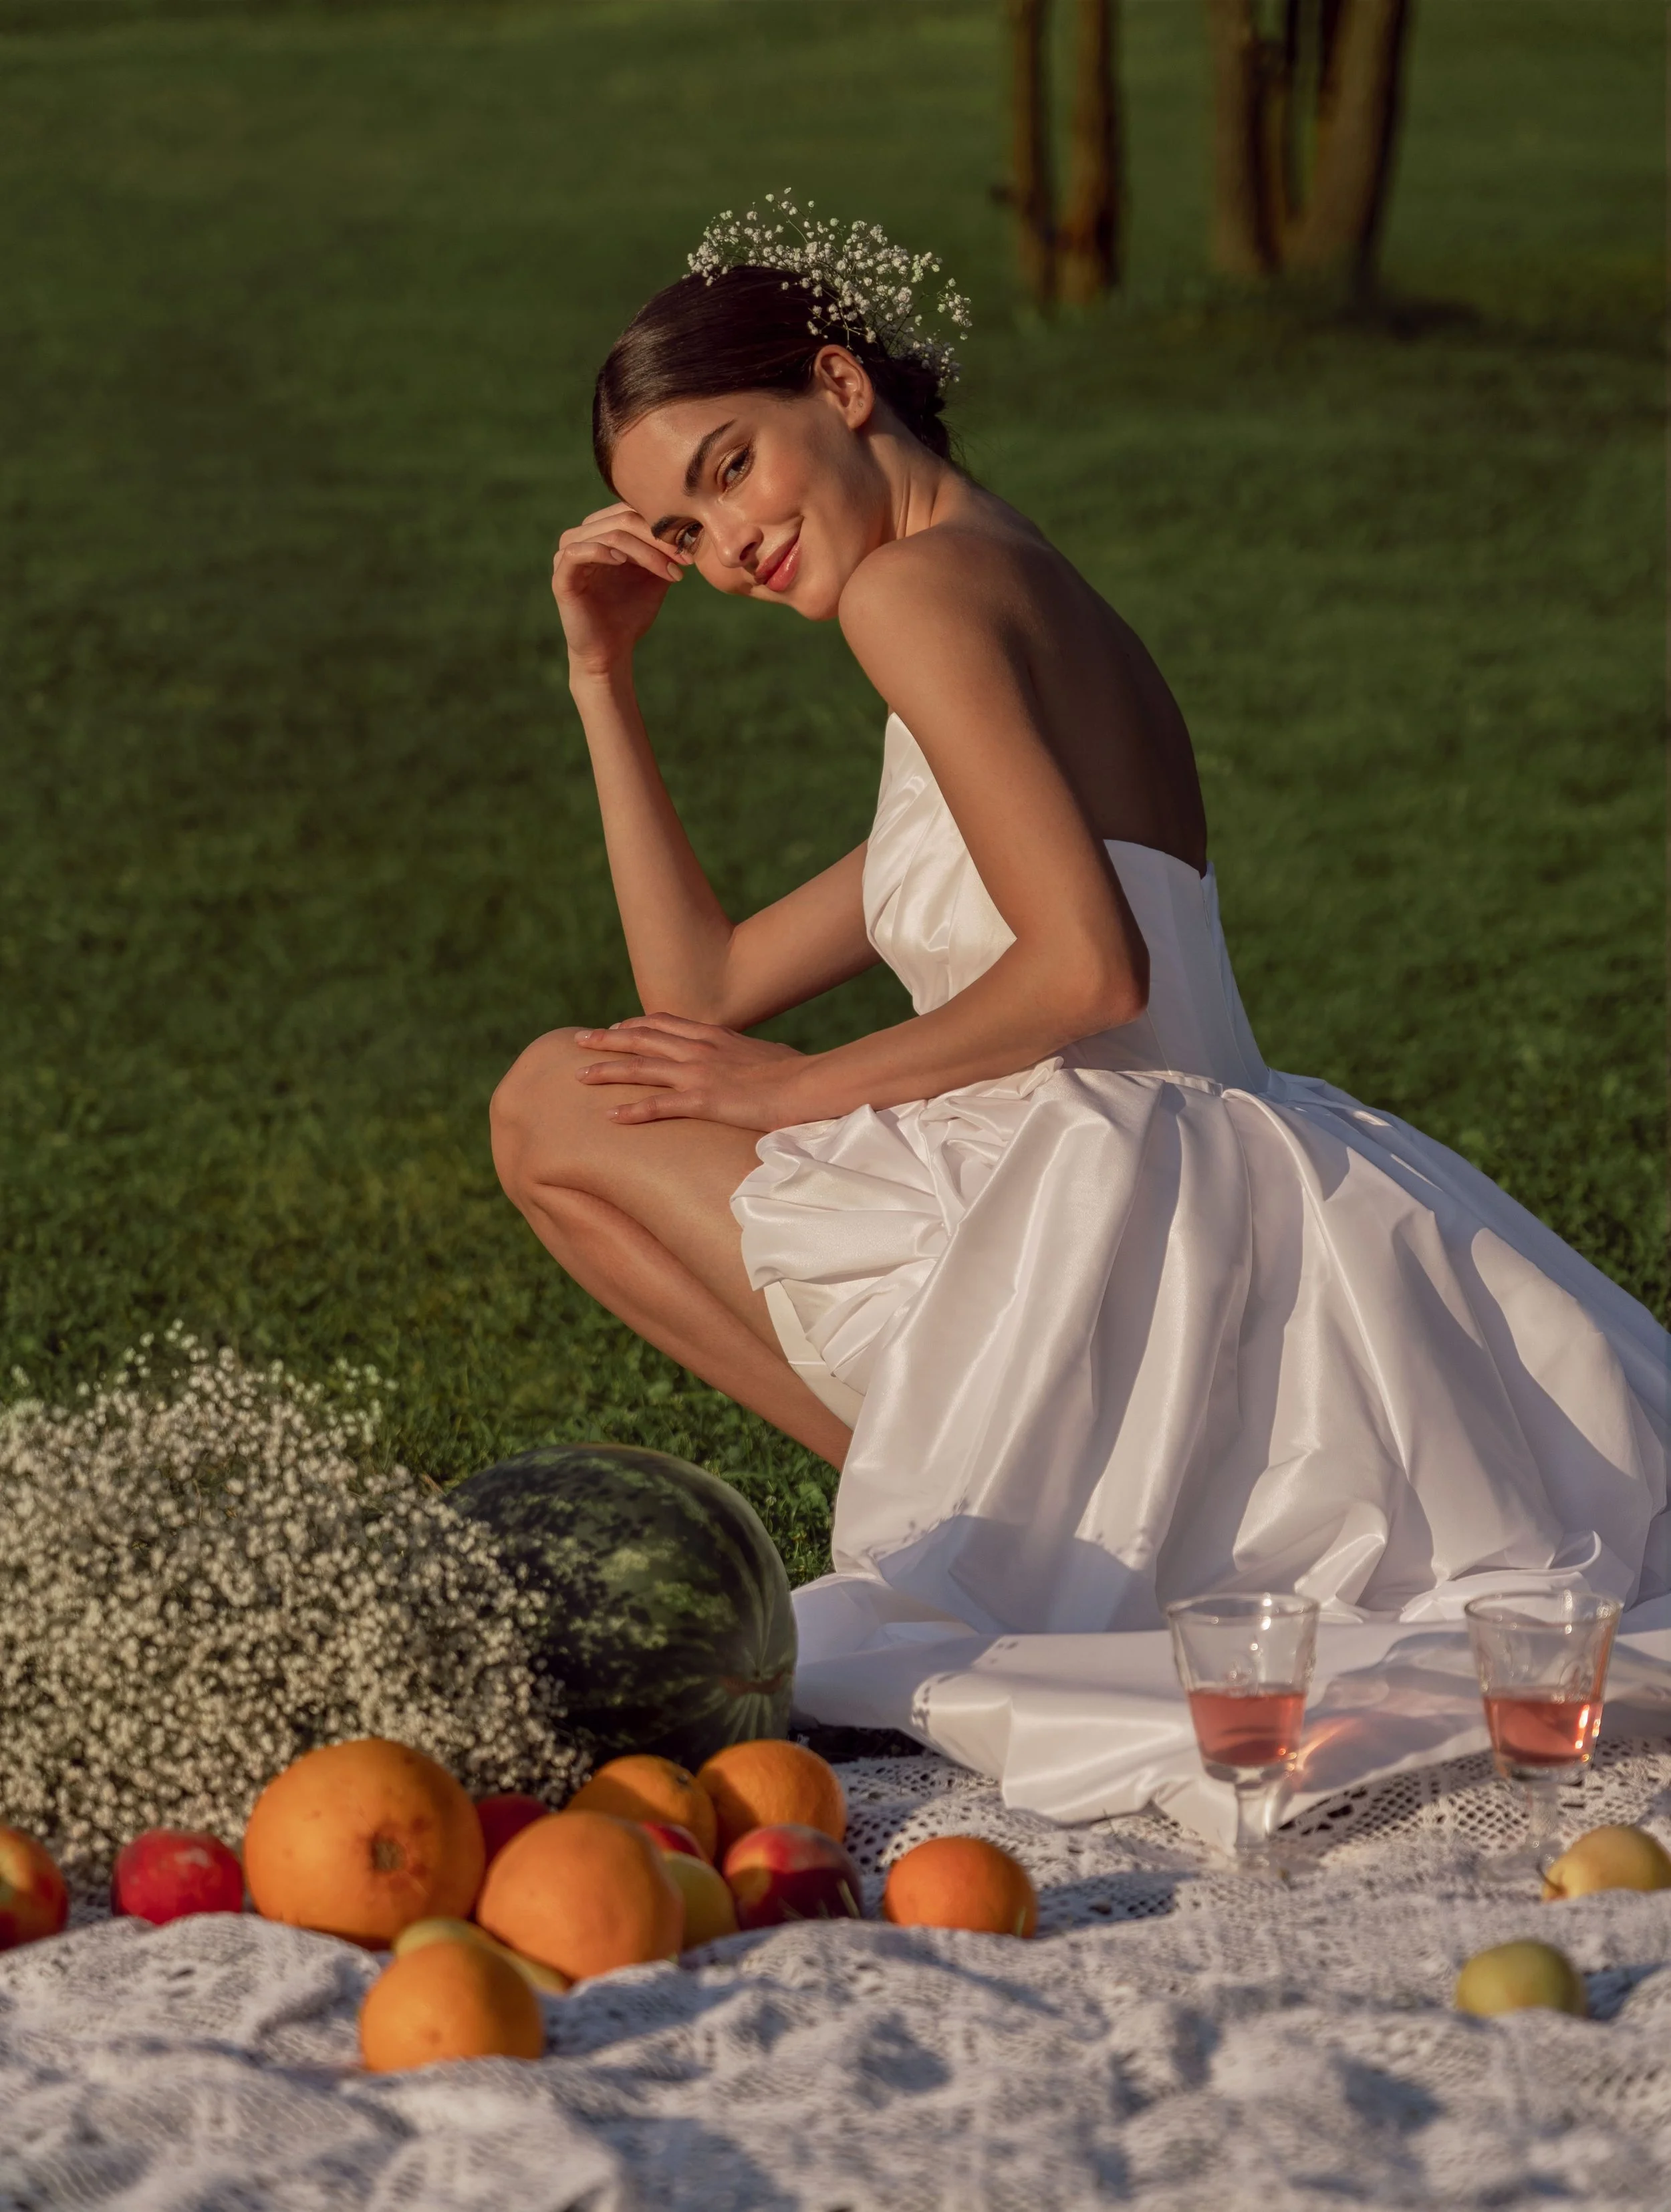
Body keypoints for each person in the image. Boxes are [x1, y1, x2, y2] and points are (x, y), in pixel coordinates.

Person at [491, 204, 1670, 1674]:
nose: (726, 543)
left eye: (730, 466)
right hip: (1208, 1196)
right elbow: (702, 989)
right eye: (680, 530)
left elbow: (1085, 971)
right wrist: (600, 673)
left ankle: (953, 1520)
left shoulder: (910, 595)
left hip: (1106, 1211)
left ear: (839, 389)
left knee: (548, 1099)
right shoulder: (1008, 579)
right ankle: (958, 1498)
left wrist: (788, 1092)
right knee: (584, 1083)